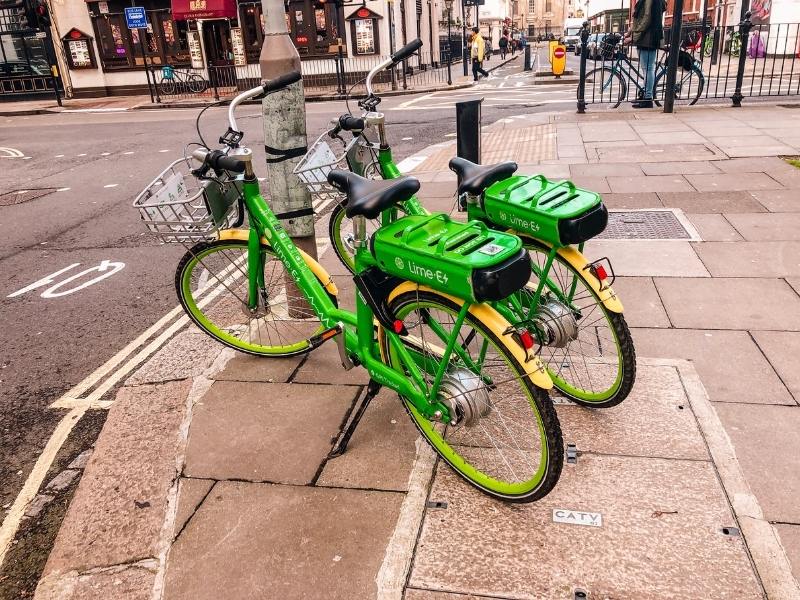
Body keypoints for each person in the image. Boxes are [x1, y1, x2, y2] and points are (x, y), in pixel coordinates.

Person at [628, 0, 665, 108]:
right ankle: (645, 95)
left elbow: (646, 18)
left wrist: (634, 34)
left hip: (648, 38)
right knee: (646, 69)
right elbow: (638, 19)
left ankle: (648, 99)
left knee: (648, 68)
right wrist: (630, 32)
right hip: (644, 38)